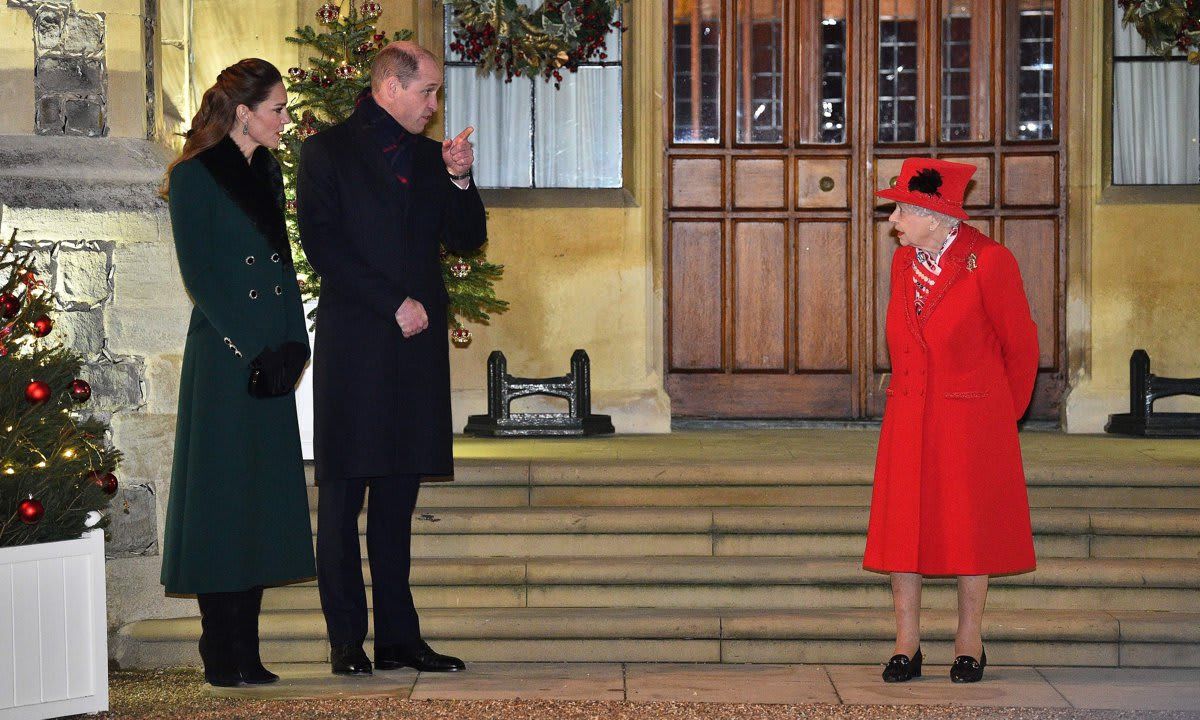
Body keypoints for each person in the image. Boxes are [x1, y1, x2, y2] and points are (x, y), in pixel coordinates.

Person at [296, 40, 487, 676]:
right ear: (389, 87)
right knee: (345, 497)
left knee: (399, 502)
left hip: (416, 351)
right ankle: (346, 640)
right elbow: (322, 244)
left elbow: (465, 240)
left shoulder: (434, 159)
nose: (435, 105)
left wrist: (460, 178)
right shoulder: (327, 151)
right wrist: (390, 302)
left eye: (436, 93)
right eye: (428, 91)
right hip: (358, 345)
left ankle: (400, 638)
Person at [160, 58, 315, 687]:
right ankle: (219, 648)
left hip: (270, 355)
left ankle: (246, 651)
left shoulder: (268, 171)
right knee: (222, 502)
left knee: (257, 501)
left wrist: (295, 344)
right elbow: (202, 280)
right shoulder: (194, 176)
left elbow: (280, 266)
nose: (285, 120)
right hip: (226, 358)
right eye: (278, 109)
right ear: (243, 112)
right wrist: (258, 346)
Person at [864, 157, 1039, 684]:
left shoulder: (989, 261)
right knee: (904, 530)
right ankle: (906, 643)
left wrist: (999, 418)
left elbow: (1022, 347)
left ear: (935, 216)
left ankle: (969, 642)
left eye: (900, 210)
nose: (893, 219)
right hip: (909, 412)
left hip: (970, 419)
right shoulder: (902, 264)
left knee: (969, 531)